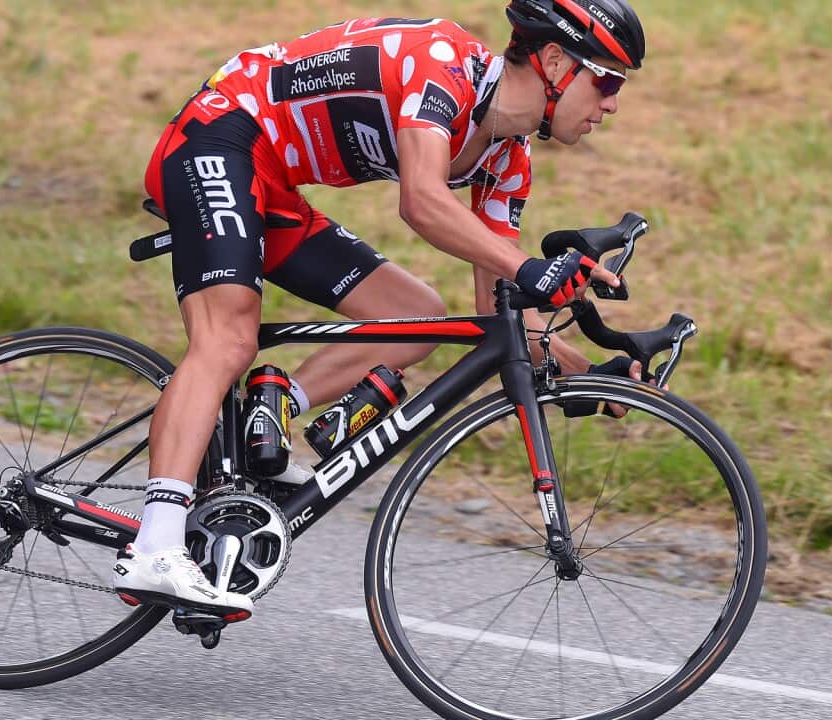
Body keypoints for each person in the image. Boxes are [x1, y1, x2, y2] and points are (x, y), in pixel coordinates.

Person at [113, 1, 648, 617]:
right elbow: (421, 200)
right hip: (223, 133)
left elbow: (500, 317)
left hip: (274, 184)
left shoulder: (507, 161)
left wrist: (592, 376)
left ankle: (274, 403)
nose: (612, 103)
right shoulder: (443, 67)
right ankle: (156, 544)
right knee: (227, 339)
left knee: (418, 317)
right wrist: (531, 267)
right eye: (606, 80)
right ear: (554, 62)